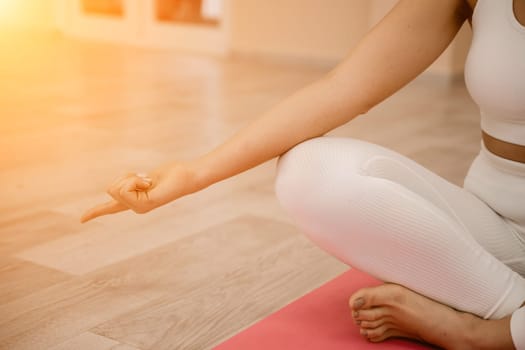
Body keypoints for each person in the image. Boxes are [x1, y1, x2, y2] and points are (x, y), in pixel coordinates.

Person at [81, 1, 525, 348]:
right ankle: (510, 306)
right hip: (499, 225)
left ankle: (482, 333)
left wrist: (479, 335)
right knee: (309, 170)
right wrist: (192, 175)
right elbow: (344, 88)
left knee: (483, 330)